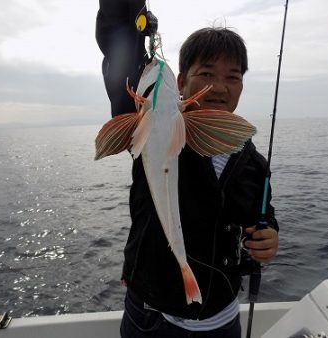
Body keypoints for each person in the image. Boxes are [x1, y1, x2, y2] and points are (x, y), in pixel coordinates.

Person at [96, 1, 279, 337]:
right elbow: (118, 44)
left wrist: (269, 235)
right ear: (181, 81)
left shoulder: (252, 161)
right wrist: (125, 11)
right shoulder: (150, 124)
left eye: (232, 77)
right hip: (151, 318)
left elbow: (261, 216)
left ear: (241, 85)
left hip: (222, 319)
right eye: (206, 73)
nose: (220, 87)